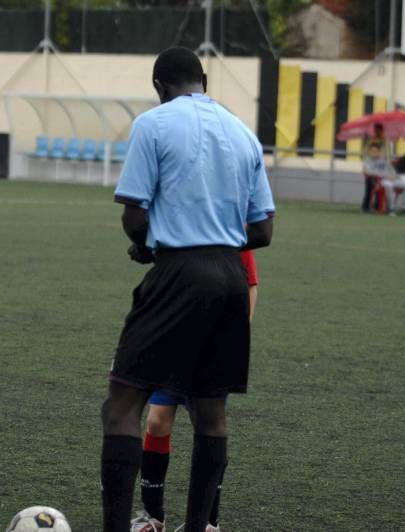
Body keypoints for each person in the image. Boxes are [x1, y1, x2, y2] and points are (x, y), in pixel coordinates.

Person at [100, 46, 275, 532]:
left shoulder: (153, 125)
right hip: (231, 279)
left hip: (179, 274)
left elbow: (134, 217)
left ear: (158, 88)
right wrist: (217, 239)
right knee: (211, 412)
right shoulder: (244, 133)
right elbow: (263, 232)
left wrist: (153, 246)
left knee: (122, 404)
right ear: (204, 79)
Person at [132, 250, 260, 532]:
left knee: (206, 427)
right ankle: (152, 516)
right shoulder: (179, 224)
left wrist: (237, 331)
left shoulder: (233, 229)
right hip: (172, 342)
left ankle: (207, 521)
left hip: (212, 348)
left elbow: (250, 284)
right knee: (156, 421)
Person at [362, 142, 405, 215]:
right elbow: (367, 172)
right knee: (389, 186)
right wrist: (384, 176)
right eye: (372, 151)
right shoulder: (367, 161)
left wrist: (394, 176)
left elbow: (392, 170)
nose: (374, 153)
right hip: (380, 180)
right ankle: (391, 208)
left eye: (376, 151)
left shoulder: (384, 160)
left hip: (391, 179)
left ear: (379, 151)